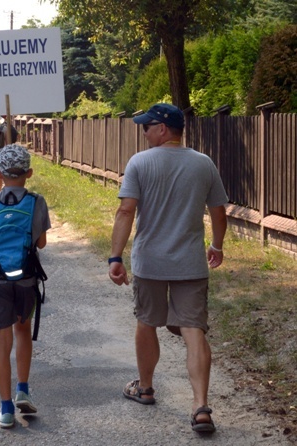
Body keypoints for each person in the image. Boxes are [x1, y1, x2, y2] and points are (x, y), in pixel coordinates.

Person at [108, 103, 228, 434]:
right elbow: (219, 213)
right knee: (193, 331)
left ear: (162, 128)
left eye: (147, 126)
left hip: (150, 262)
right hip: (190, 262)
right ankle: (200, 406)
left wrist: (115, 256)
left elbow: (125, 212)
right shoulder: (204, 164)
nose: (143, 132)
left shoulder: (139, 163)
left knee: (147, 322)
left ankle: (145, 388)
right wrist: (216, 246)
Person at [0, 144, 51, 429]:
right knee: (23, 330)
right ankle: (23, 388)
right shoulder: (36, 201)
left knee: (1, 341)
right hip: (27, 279)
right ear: (29, 173)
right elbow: (41, 243)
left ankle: (6, 408)